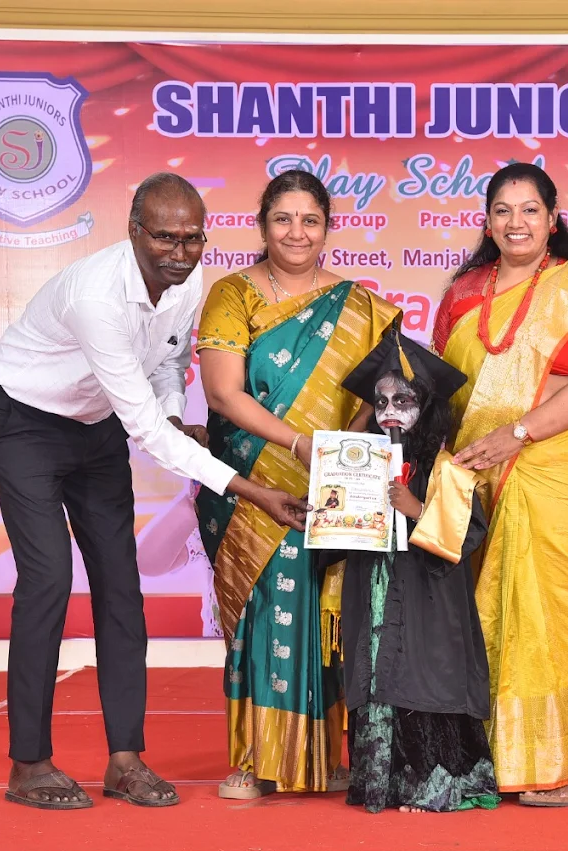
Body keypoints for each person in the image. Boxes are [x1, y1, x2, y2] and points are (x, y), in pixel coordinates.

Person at [0, 172, 309, 811]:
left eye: (192, 238)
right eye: (164, 237)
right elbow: (147, 432)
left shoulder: (185, 283)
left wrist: (172, 412)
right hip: (23, 420)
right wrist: (250, 490)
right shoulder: (97, 296)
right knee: (47, 579)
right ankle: (29, 763)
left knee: (121, 587)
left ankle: (125, 760)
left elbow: (167, 361)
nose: (179, 252)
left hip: (95, 424)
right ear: (134, 232)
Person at [432, 162, 568, 808]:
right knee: (486, 612)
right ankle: (491, 753)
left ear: (553, 220)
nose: (516, 222)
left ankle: (561, 765)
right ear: (487, 222)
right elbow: (444, 387)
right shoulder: (464, 293)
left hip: (565, 479)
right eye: (503, 210)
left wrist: (520, 432)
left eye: (530, 210)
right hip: (481, 475)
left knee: (558, 614)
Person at [195, 170, 399, 801]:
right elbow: (222, 393)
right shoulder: (233, 294)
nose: (296, 232)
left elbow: (379, 398)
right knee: (260, 614)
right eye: (283, 219)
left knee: (323, 614)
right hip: (251, 486)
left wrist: (343, 456)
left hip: (329, 490)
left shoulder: (360, 306)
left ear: (328, 228)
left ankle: (321, 758)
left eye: (310, 220)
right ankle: (255, 759)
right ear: (262, 226)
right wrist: (298, 445)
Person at [321, 327, 499, 814]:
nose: (390, 412)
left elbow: (466, 536)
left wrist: (416, 508)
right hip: (373, 591)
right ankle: (381, 784)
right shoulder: (359, 466)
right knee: (376, 673)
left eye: (404, 400)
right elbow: (335, 538)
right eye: (381, 402)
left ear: (427, 405)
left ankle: (433, 785)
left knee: (424, 674)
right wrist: (328, 512)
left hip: (428, 596)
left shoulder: (447, 470)